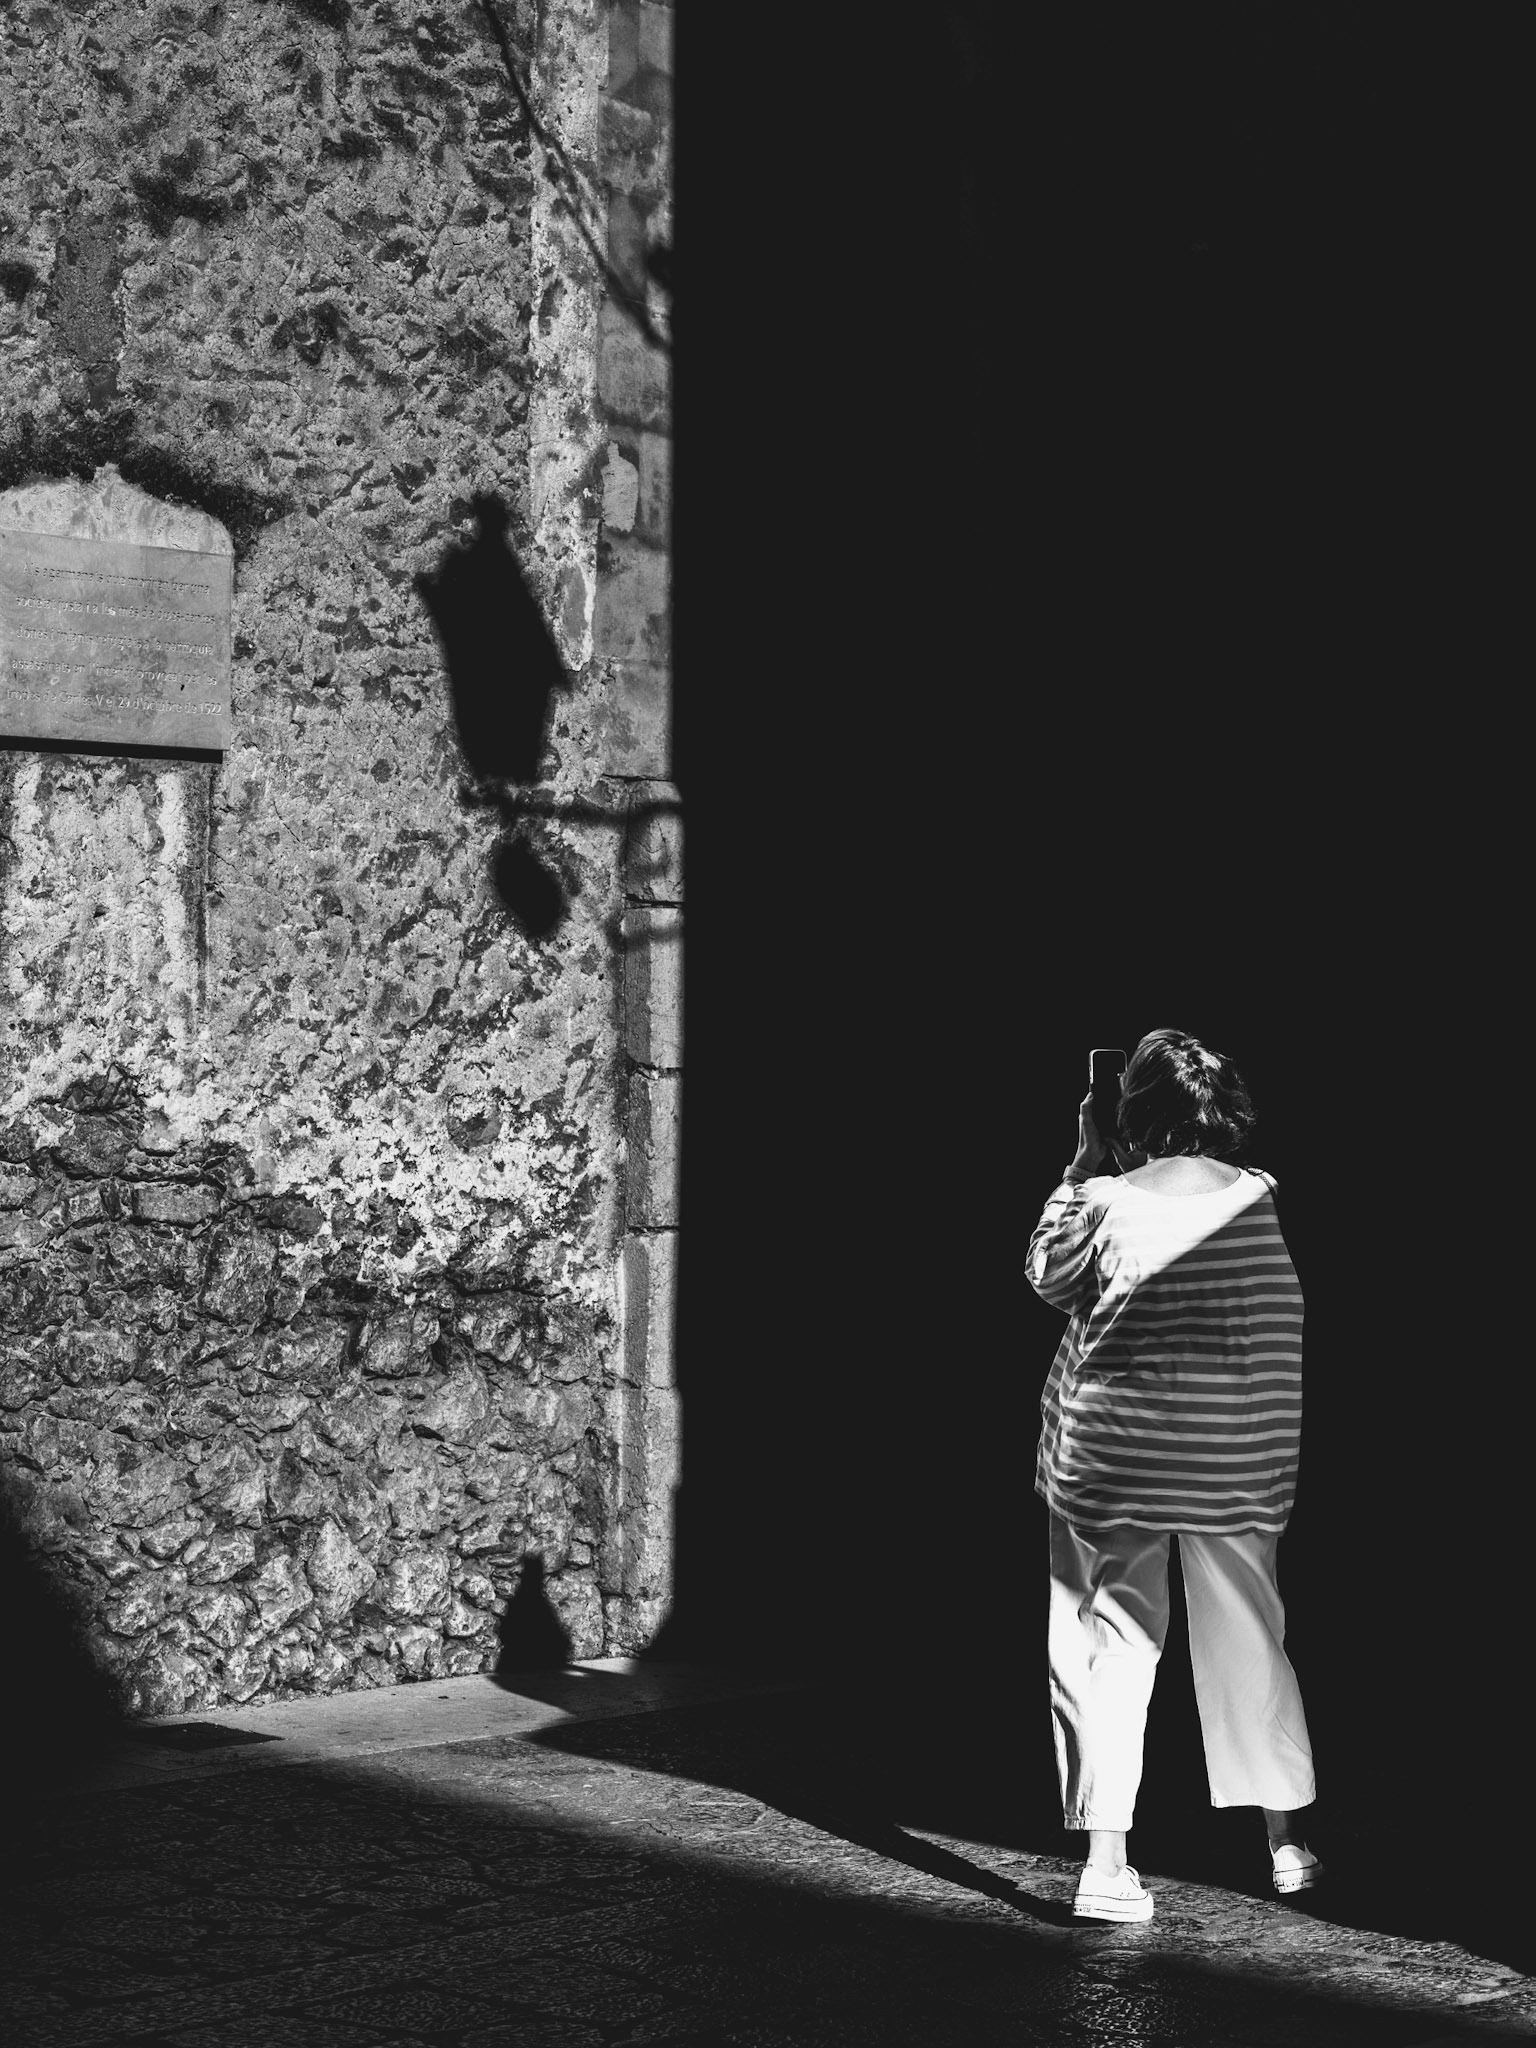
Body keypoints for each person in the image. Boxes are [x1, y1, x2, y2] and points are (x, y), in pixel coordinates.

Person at [1027, 1028, 1320, 1923]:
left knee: (1108, 1647)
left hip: (1112, 1461)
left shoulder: (1105, 1199)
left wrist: (1079, 1168)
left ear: (1130, 1111)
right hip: (1231, 1459)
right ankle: (1286, 1844)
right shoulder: (1259, 1198)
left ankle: (1105, 1867)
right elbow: (1275, 1330)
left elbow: (1048, 1277)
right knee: (1249, 1636)